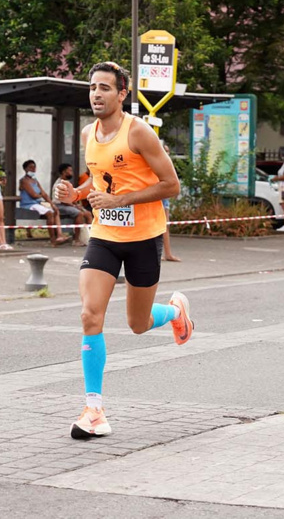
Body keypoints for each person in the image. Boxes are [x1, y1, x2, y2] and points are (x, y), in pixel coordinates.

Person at [55, 61, 195, 439]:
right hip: (104, 237)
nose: (96, 94)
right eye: (92, 87)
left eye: (104, 88)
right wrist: (76, 193)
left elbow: (171, 186)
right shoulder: (89, 132)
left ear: (121, 94)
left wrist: (122, 198)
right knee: (89, 316)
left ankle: (174, 312)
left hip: (144, 238)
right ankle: (94, 410)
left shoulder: (140, 134)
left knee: (138, 324)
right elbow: (98, 181)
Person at [19, 160, 70, 246]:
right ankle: (52, 239)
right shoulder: (24, 181)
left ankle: (59, 235)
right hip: (29, 204)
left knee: (55, 210)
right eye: (30, 167)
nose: (33, 169)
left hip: (39, 202)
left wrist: (51, 204)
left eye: (34, 167)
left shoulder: (35, 180)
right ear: (25, 169)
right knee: (49, 213)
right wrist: (41, 195)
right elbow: (34, 195)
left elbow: (44, 193)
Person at [52, 162, 93, 247]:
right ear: (64, 172)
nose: (72, 172)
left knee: (88, 214)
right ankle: (76, 239)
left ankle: (92, 238)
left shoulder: (67, 182)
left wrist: (77, 204)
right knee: (79, 214)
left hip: (69, 205)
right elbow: (63, 200)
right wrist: (75, 206)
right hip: (60, 206)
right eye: (69, 170)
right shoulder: (59, 184)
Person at [160, 143, 180, 262]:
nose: (167, 153)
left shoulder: (167, 163)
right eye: (165, 151)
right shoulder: (157, 162)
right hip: (158, 197)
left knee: (165, 225)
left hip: (164, 198)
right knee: (162, 225)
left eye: (168, 151)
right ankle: (166, 254)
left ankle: (168, 253)